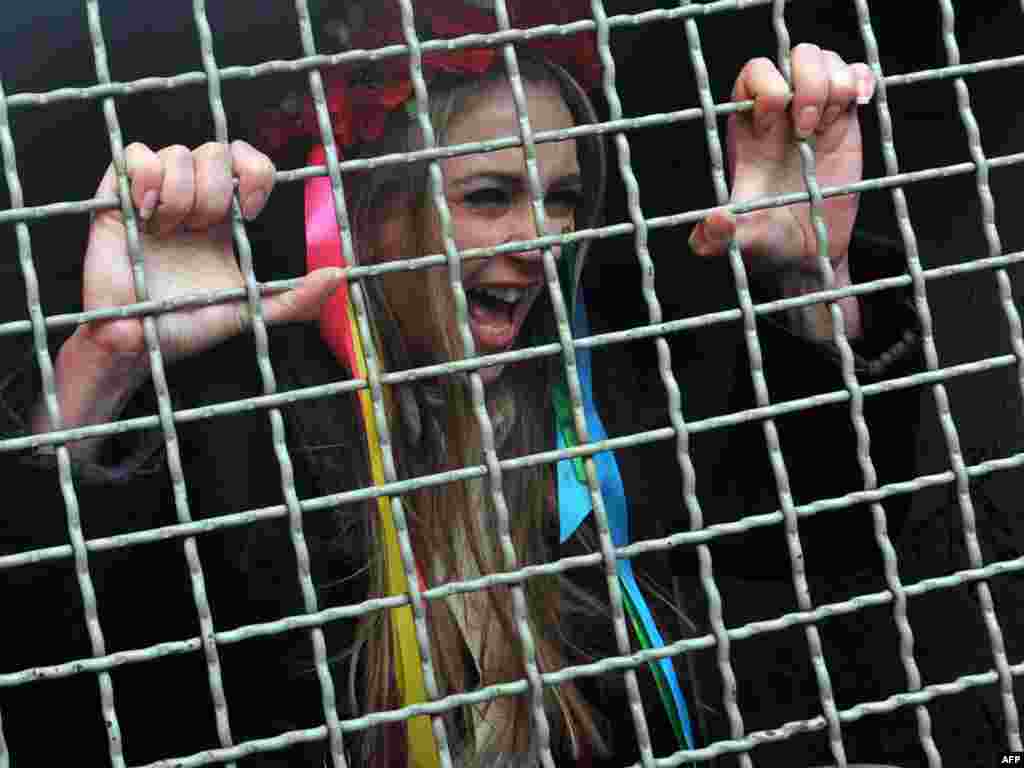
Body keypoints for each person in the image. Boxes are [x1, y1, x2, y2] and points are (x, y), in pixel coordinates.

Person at [4, 2, 1010, 767]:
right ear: (369, 213)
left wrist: (811, 277)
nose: (539, 242)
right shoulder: (254, 425)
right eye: (489, 196)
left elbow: (833, 542)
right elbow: (65, 674)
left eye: (561, 200)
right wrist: (108, 361)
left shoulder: (616, 379)